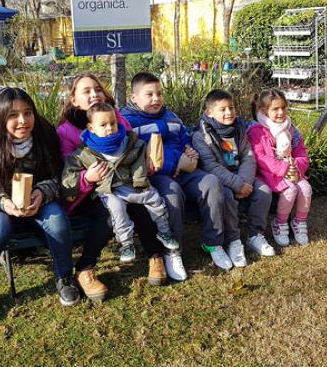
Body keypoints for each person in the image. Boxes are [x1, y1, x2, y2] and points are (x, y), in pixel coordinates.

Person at [0, 87, 79, 328]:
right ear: (0, 117)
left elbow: (58, 177)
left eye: (27, 113)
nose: (23, 121)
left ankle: (65, 277)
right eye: (13, 115)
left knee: (57, 221)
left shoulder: (44, 136)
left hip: (35, 201)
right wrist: (1, 202)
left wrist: (42, 192)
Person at [56, 73, 169, 297]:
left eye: (98, 89)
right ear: (74, 100)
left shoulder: (115, 118)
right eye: (86, 91)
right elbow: (66, 173)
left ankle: (155, 256)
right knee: (108, 214)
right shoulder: (66, 132)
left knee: (139, 202)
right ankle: (85, 268)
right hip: (87, 193)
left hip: (122, 183)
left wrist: (145, 162)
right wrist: (87, 178)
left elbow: (132, 149)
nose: (94, 94)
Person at [122, 72, 238, 272]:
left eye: (159, 93)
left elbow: (185, 140)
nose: (156, 98)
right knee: (172, 194)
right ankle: (173, 251)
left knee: (211, 182)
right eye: (149, 94)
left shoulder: (171, 116)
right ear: (134, 98)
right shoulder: (128, 122)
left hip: (186, 170)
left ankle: (213, 242)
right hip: (155, 176)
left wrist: (191, 153)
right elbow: (136, 155)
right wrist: (175, 164)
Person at [63, 102, 179, 262]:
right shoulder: (84, 151)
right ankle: (126, 244)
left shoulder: (129, 142)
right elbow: (69, 173)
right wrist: (73, 188)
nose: (110, 128)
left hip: (130, 184)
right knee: (117, 210)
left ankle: (164, 232)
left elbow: (138, 160)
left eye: (113, 123)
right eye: (103, 125)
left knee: (153, 197)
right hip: (108, 190)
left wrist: (140, 181)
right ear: (91, 128)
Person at [192, 89, 275, 259]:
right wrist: (237, 184)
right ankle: (233, 240)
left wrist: (245, 182)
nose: (229, 112)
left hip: (244, 175)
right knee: (227, 196)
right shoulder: (201, 136)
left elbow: (248, 156)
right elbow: (210, 166)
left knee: (264, 191)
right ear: (210, 112)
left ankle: (255, 235)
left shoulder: (239, 128)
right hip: (221, 179)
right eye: (222, 109)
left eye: (231, 107)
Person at [247, 88, 311, 247]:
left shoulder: (291, 130)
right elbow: (260, 157)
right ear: (264, 111)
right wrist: (284, 168)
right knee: (290, 190)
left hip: (291, 170)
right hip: (269, 174)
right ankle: (280, 222)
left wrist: (296, 167)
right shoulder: (257, 131)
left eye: (283, 107)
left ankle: (299, 221)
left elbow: (301, 152)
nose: (281, 112)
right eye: (275, 109)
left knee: (306, 188)